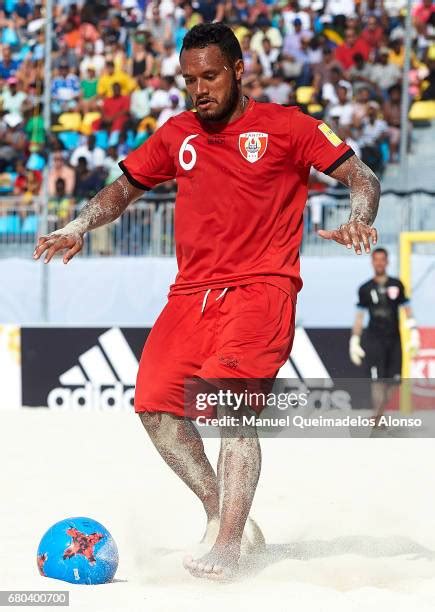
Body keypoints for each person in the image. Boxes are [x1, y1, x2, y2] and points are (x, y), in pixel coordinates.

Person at [33, 23, 380, 581]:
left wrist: (360, 218)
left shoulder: (287, 126)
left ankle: (227, 544)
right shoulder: (178, 133)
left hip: (262, 289)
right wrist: (80, 224)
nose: (199, 89)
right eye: (190, 78)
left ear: (240, 71)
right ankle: (224, 512)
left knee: (232, 408)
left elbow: (361, 176)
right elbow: (123, 187)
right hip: (191, 294)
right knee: (152, 405)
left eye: (210, 76)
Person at [350, 248, 420, 424]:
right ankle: (377, 417)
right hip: (374, 340)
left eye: (382, 259)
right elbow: (359, 317)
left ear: (387, 261)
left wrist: (414, 332)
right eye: (376, 260)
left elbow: (407, 309)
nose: (379, 263)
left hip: (394, 340)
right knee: (377, 381)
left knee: (394, 381)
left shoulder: (397, 284)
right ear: (372, 262)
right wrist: (355, 339)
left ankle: (378, 415)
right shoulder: (365, 289)